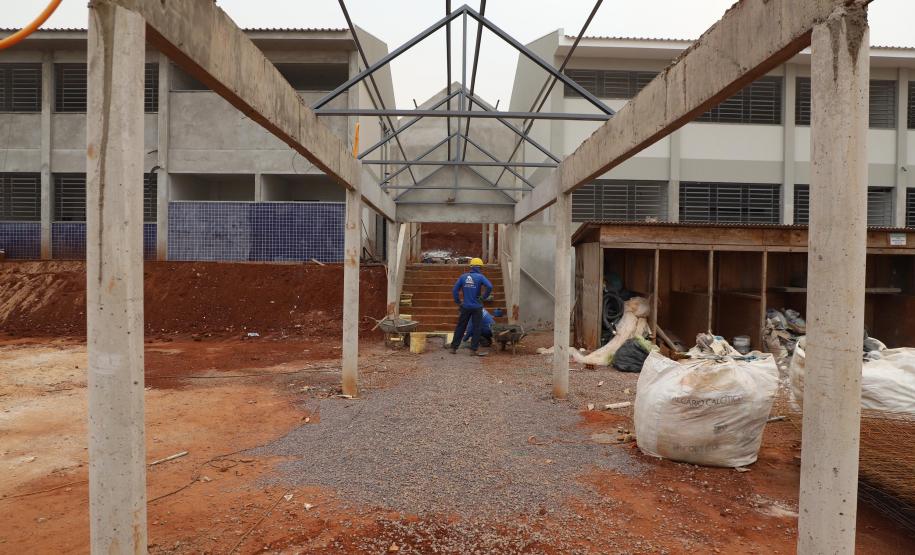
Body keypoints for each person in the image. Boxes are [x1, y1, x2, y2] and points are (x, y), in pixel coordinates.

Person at [449, 257, 493, 356]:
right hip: (477, 307)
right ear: (480, 267)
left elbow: (454, 290)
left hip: (465, 306)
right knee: (477, 327)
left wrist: (458, 302)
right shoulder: (480, 277)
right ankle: (473, 350)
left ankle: (453, 348)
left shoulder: (463, 276)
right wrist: (483, 297)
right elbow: (490, 286)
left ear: (471, 266)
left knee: (460, 326)